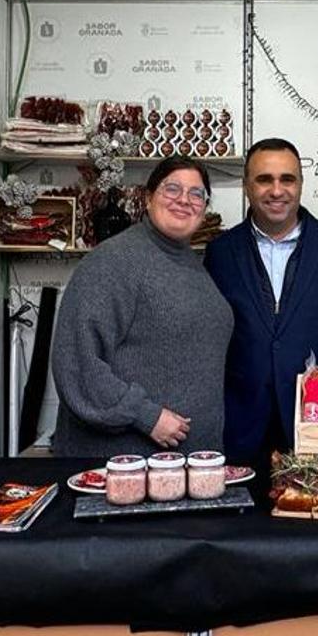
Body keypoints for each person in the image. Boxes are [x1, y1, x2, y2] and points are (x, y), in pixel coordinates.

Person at [51, 157, 233, 457]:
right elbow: (76, 362)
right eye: (172, 189)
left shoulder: (192, 264)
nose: (184, 200)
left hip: (183, 467)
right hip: (125, 465)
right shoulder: (114, 260)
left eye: (196, 194)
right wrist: (144, 415)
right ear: (147, 198)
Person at [204, 138, 318, 473]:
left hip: (317, 428)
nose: (277, 190)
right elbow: (208, 338)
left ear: (301, 185)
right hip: (239, 426)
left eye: (287, 179)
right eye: (264, 179)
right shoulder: (220, 252)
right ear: (247, 186)